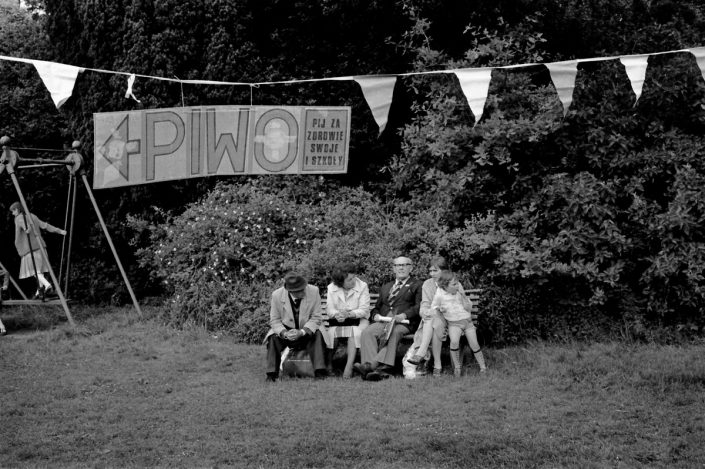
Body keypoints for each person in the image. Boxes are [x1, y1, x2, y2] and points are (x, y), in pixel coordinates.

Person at [354, 256, 422, 381]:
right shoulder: (386, 286)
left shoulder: (417, 285)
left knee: (394, 333)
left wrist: (404, 315)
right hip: (384, 321)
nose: (401, 267)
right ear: (393, 268)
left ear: (411, 267)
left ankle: (374, 368)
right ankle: (372, 370)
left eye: (405, 264)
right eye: (398, 265)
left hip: (404, 323)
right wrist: (374, 314)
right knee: (367, 332)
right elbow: (377, 307)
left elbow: (419, 306)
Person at [418, 270, 487, 376]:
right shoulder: (440, 294)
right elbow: (434, 307)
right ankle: (457, 367)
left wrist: (464, 296)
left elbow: (468, 308)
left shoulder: (459, 292)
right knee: (454, 342)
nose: (457, 285)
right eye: (454, 284)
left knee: (474, 344)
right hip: (454, 324)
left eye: (457, 283)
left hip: (467, 323)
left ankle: (483, 367)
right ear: (445, 285)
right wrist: (439, 309)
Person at [263, 271, 327, 382]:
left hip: (307, 330)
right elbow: (274, 320)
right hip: (286, 331)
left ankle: (320, 372)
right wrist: (284, 333)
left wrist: (302, 332)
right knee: (272, 337)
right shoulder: (276, 295)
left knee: (318, 333)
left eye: (303, 288)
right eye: (299, 291)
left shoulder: (314, 291)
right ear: (290, 291)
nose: (303, 291)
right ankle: (271, 374)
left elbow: (316, 317)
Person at [405, 256, 452, 377]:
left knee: (432, 317)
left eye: (435, 270)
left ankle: (421, 353)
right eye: (430, 271)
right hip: (434, 321)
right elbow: (424, 304)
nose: (432, 274)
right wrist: (424, 311)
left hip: (451, 319)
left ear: (444, 270)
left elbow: (460, 303)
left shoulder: (452, 282)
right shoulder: (427, 284)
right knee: (432, 318)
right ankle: (437, 365)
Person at [323, 263, 370, 378]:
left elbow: (364, 310)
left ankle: (348, 367)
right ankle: (328, 365)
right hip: (339, 320)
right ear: (340, 282)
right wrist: (337, 314)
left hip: (358, 319)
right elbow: (329, 309)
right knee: (330, 333)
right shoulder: (331, 288)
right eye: (349, 279)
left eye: (354, 277)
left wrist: (350, 314)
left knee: (354, 332)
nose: (354, 280)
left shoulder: (362, 286)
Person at [10, 202, 66, 299]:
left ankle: (47, 285)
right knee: (39, 271)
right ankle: (38, 293)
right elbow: (44, 225)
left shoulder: (18, 218)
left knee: (33, 271)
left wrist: (26, 228)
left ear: (17, 210)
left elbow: (26, 226)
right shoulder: (32, 216)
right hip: (41, 246)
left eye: (13, 211)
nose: (12, 213)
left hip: (30, 248)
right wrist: (59, 231)